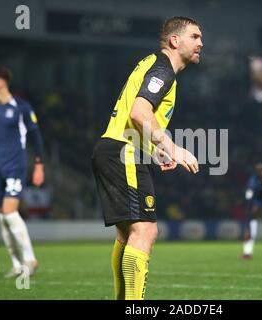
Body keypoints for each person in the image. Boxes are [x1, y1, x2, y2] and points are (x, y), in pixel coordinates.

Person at [92, 16, 202, 300]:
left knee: (127, 235)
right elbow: (139, 112)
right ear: (175, 41)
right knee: (146, 232)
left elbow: (137, 118)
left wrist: (155, 149)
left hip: (116, 149)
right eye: (195, 37)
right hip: (123, 152)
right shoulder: (163, 69)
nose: (201, 43)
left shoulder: (152, 64)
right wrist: (173, 146)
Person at [0, 66, 45, 277]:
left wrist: (39, 164)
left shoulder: (21, 108)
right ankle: (17, 264)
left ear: (1, 82)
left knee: (9, 213)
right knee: (2, 217)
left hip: (15, 167)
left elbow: (36, 137)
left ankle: (29, 259)